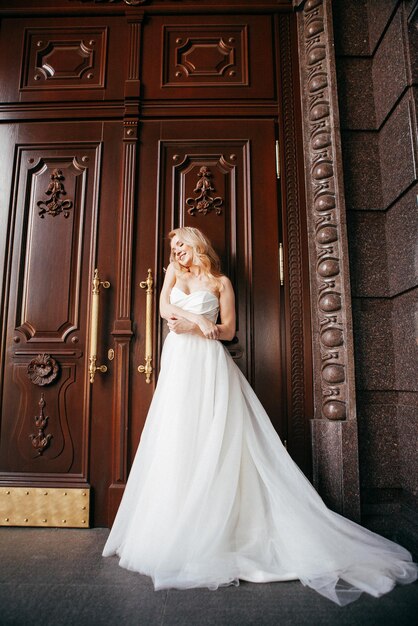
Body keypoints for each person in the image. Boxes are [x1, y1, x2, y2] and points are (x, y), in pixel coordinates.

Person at [103, 227, 417, 606]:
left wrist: (204, 328)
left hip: (208, 364)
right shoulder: (173, 274)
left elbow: (230, 330)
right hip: (178, 364)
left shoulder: (221, 282)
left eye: (182, 244)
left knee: (216, 434)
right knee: (176, 435)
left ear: (197, 244)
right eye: (172, 247)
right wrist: (195, 321)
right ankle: (173, 523)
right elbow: (163, 309)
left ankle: (225, 523)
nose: (177, 252)